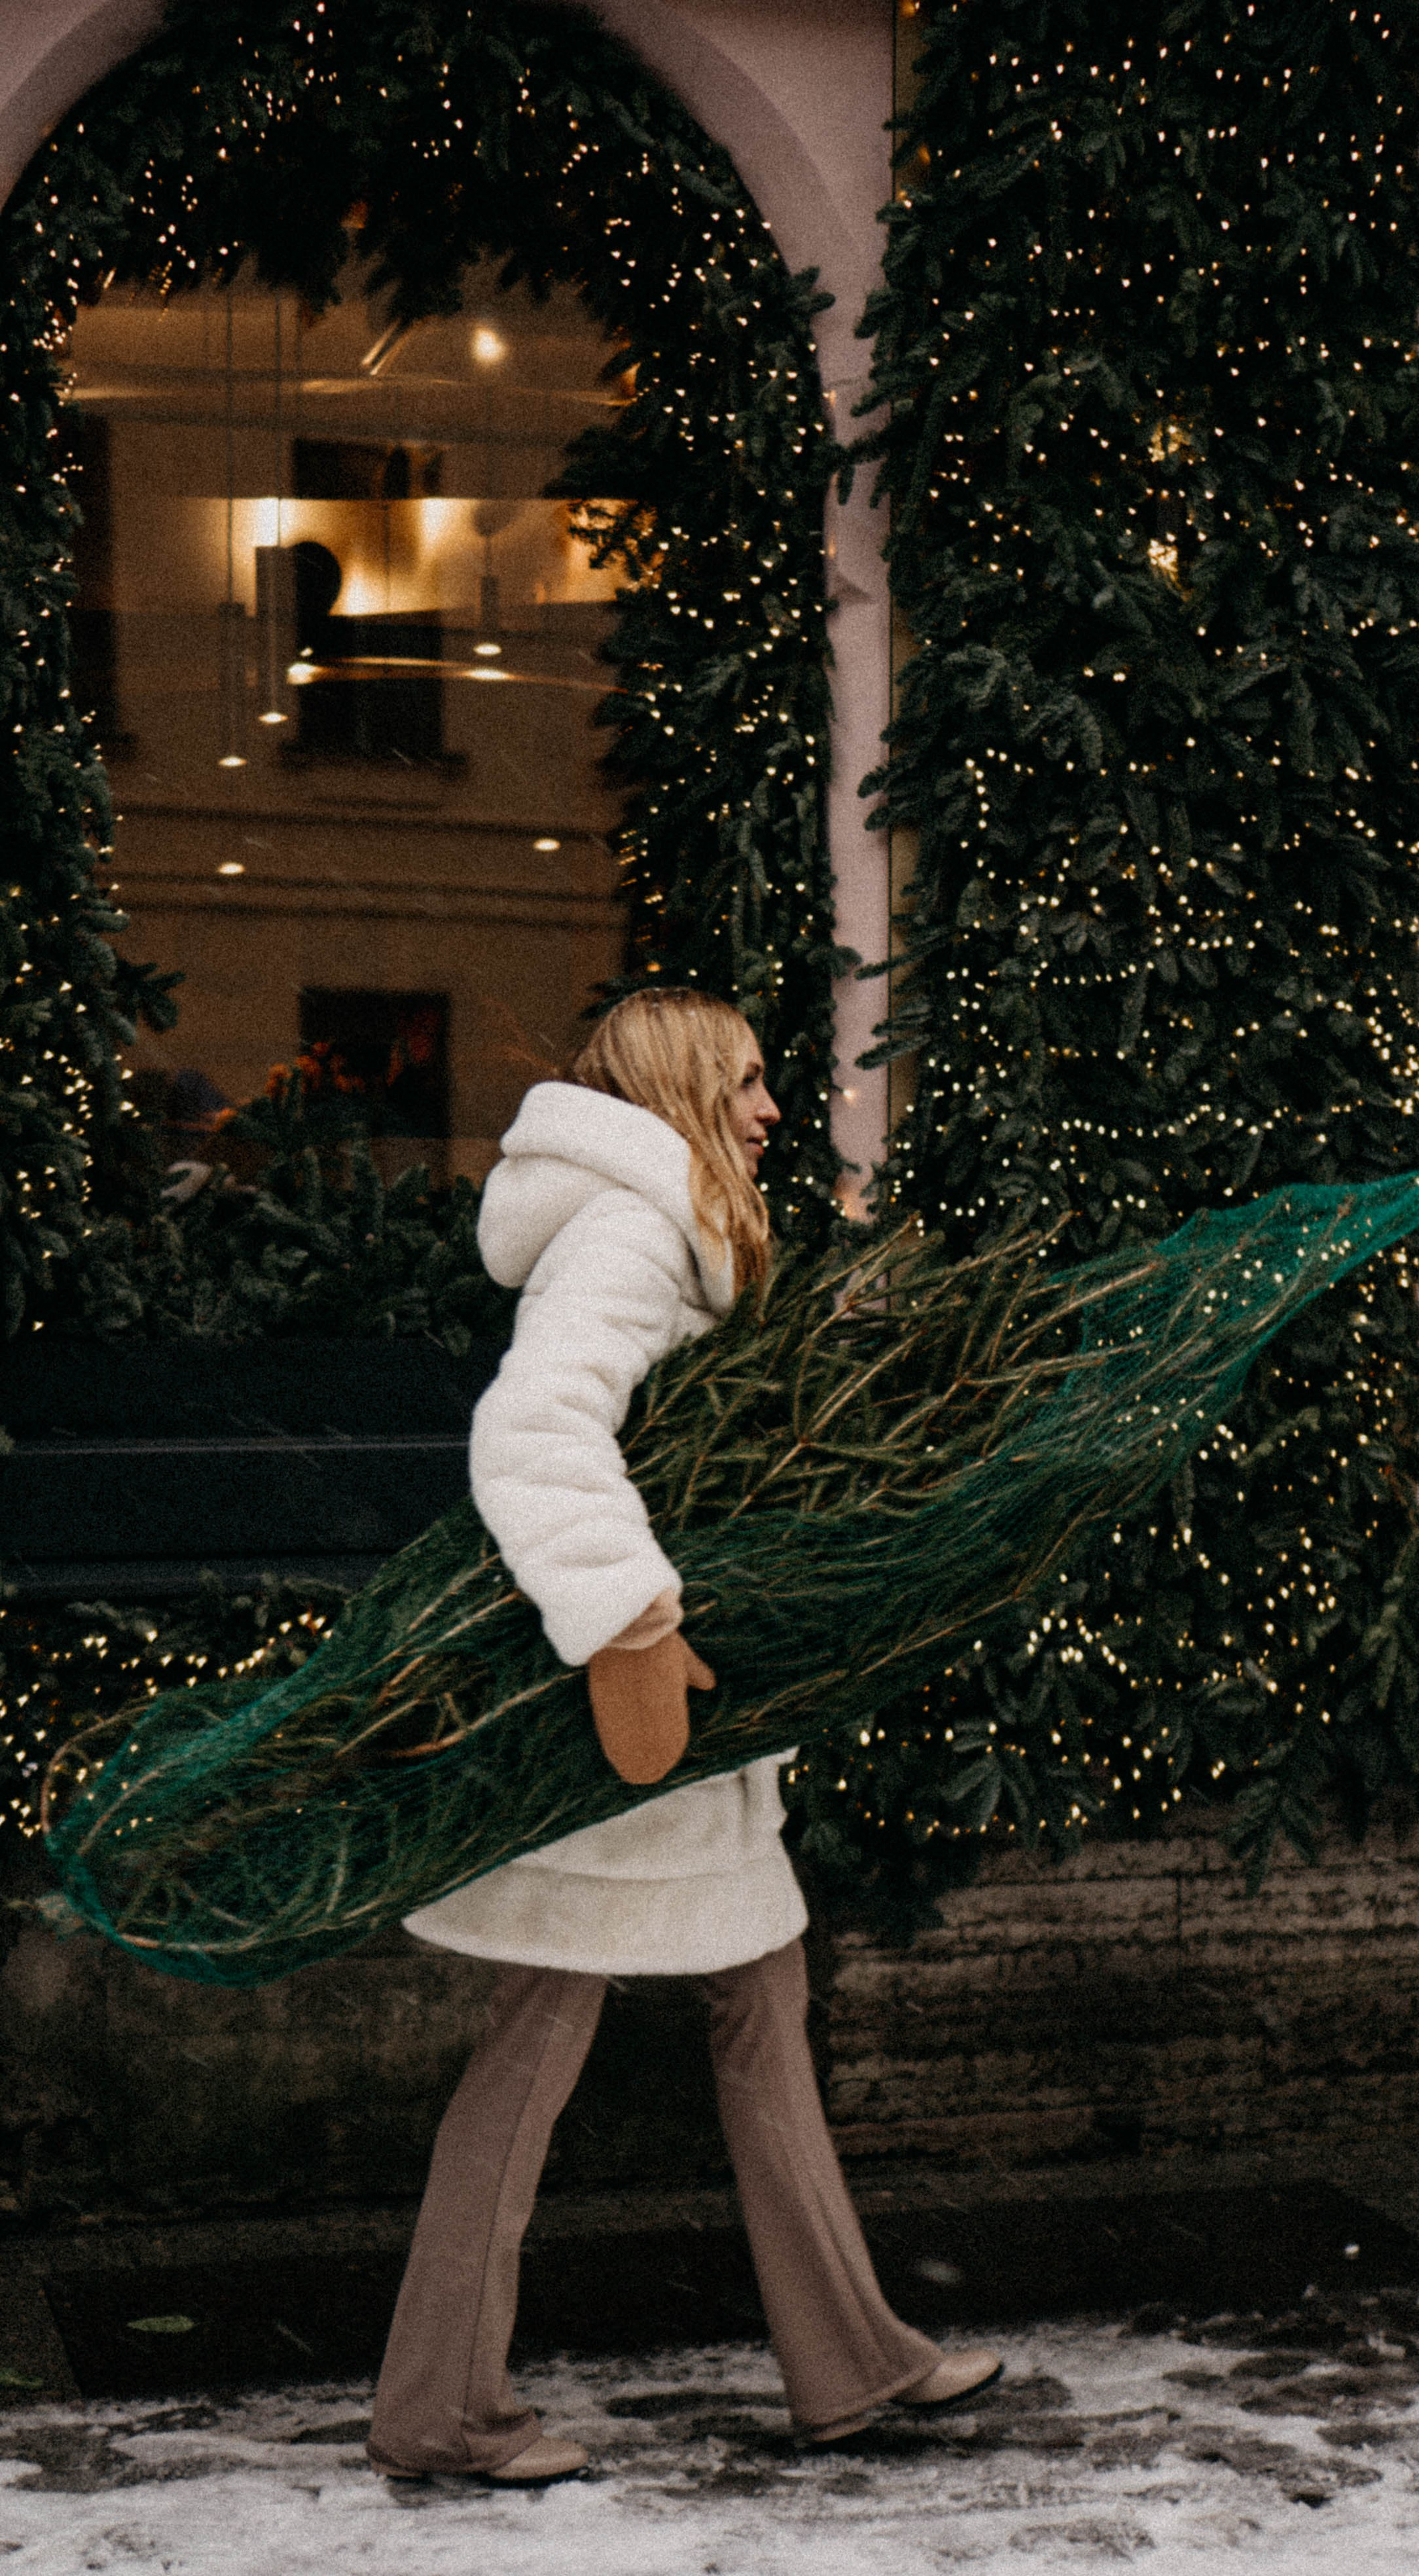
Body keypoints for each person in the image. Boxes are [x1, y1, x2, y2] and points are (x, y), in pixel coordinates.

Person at [365, 986, 1002, 2485]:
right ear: (676, 1090)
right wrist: (632, 1623)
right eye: (746, 1081)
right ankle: (440, 2404)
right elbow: (533, 1430)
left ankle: (848, 2357)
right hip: (626, 1718)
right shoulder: (631, 1228)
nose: (773, 1108)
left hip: (672, 1733)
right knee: (541, 2047)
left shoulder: (669, 1228)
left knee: (758, 2007)